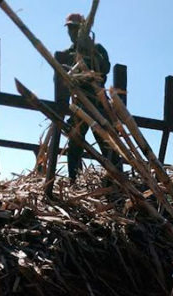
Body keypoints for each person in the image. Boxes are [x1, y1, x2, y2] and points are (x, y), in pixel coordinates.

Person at [54, 13, 119, 181]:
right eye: (70, 28)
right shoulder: (66, 53)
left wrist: (90, 52)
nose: (72, 31)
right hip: (79, 104)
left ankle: (117, 181)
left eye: (75, 28)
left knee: (108, 143)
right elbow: (61, 80)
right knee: (75, 144)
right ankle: (73, 181)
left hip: (98, 103)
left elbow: (105, 69)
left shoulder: (97, 49)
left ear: (84, 28)